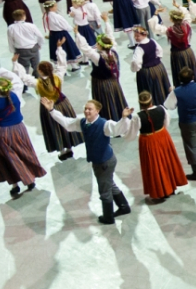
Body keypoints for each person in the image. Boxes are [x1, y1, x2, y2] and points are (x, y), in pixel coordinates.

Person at [45, 96, 134, 224]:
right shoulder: (83, 122)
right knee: (108, 183)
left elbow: (117, 129)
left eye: (90, 109)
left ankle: (108, 217)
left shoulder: (104, 124)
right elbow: (67, 123)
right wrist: (52, 110)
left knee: (104, 190)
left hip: (104, 162)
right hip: (100, 161)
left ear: (97, 111)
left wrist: (124, 118)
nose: (86, 111)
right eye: (86, 108)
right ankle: (124, 207)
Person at [132, 90, 189, 201]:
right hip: (162, 137)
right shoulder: (161, 109)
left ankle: (160, 191)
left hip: (148, 141)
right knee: (167, 162)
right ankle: (171, 187)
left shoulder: (137, 117)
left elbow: (131, 134)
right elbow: (166, 123)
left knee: (154, 165)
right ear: (151, 101)